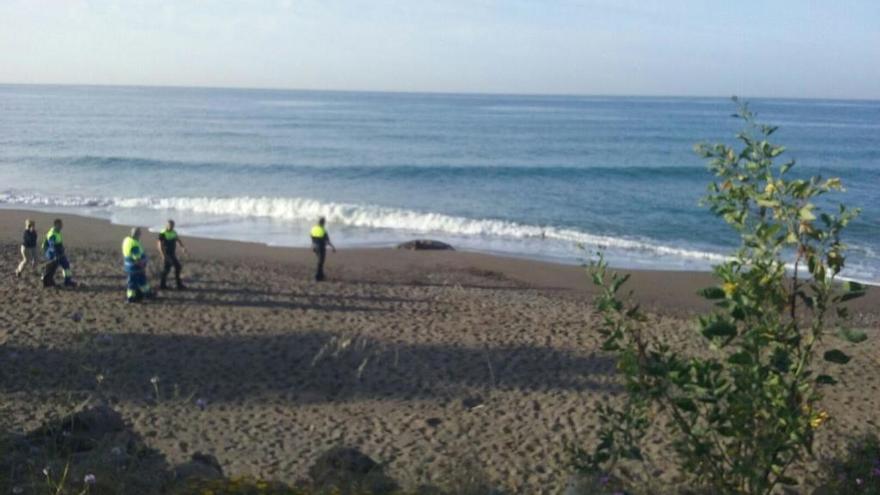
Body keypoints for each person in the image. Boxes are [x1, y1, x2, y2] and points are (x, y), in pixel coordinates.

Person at [41, 218, 76, 287]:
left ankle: (67, 281)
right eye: (60, 225)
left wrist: (62, 249)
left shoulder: (57, 232)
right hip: (52, 253)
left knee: (65, 265)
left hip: (58, 252)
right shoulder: (52, 234)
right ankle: (47, 281)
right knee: (52, 268)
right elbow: (52, 246)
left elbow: (58, 243)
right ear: (56, 225)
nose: (62, 226)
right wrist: (56, 255)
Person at [122, 227, 153, 302]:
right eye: (140, 233)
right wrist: (143, 265)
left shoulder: (127, 240)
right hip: (134, 267)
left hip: (129, 265)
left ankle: (147, 293)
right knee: (133, 282)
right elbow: (137, 258)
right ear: (138, 234)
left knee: (142, 281)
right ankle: (131, 297)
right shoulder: (134, 244)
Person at [157, 219, 187, 290]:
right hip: (166, 254)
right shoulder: (162, 233)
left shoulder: (174, 232)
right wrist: (163, 255)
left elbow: (177, 240)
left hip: (172, 253)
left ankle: (167, 285)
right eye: (170, 225)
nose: (172, 227)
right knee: (170, 268)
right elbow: (159, 245)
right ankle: (168, 285)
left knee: (173, 268)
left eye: (173, 226)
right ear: (167, 225)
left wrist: (182, 247)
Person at [310, 217, 336, 281]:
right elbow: (327, 241)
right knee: (320, 262)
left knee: (320, 261)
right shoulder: (323, 230)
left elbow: (311, 237)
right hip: (321, 247)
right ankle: (317, 276)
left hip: (315, 247)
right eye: (324, 222)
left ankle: (321, 275)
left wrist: (313, 245)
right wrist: (333, 247)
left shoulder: (313, 229)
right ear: (323, 223)